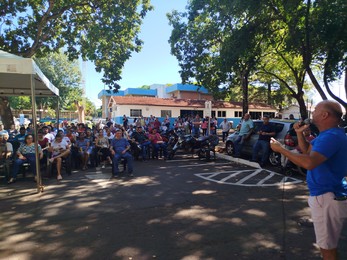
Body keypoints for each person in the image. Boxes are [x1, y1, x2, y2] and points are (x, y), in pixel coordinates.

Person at [270, 100, 347, 260]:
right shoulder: (328, 135)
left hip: (326, 196)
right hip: (328, 194)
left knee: (327, 249)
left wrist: (281, 149)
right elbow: (307, 153)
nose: (312, 114)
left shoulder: (331, 136)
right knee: (328, 246)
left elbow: (309, 163)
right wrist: (299, 133)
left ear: (325, 115)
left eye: (315, 111)